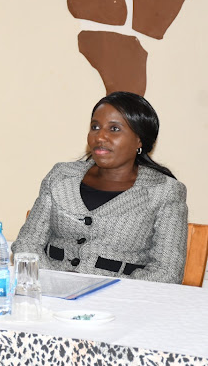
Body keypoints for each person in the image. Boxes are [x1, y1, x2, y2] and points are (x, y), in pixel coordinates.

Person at [12, 91, 187, 283]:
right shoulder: (61, 176)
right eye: (95, 127)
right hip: (50, 291)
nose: (100, 136)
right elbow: (27, 243)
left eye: (114, 129)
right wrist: (53, 283)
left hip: (119, 301)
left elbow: (166, 272)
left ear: (139, 140)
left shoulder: (164, 191)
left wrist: (111, 293)